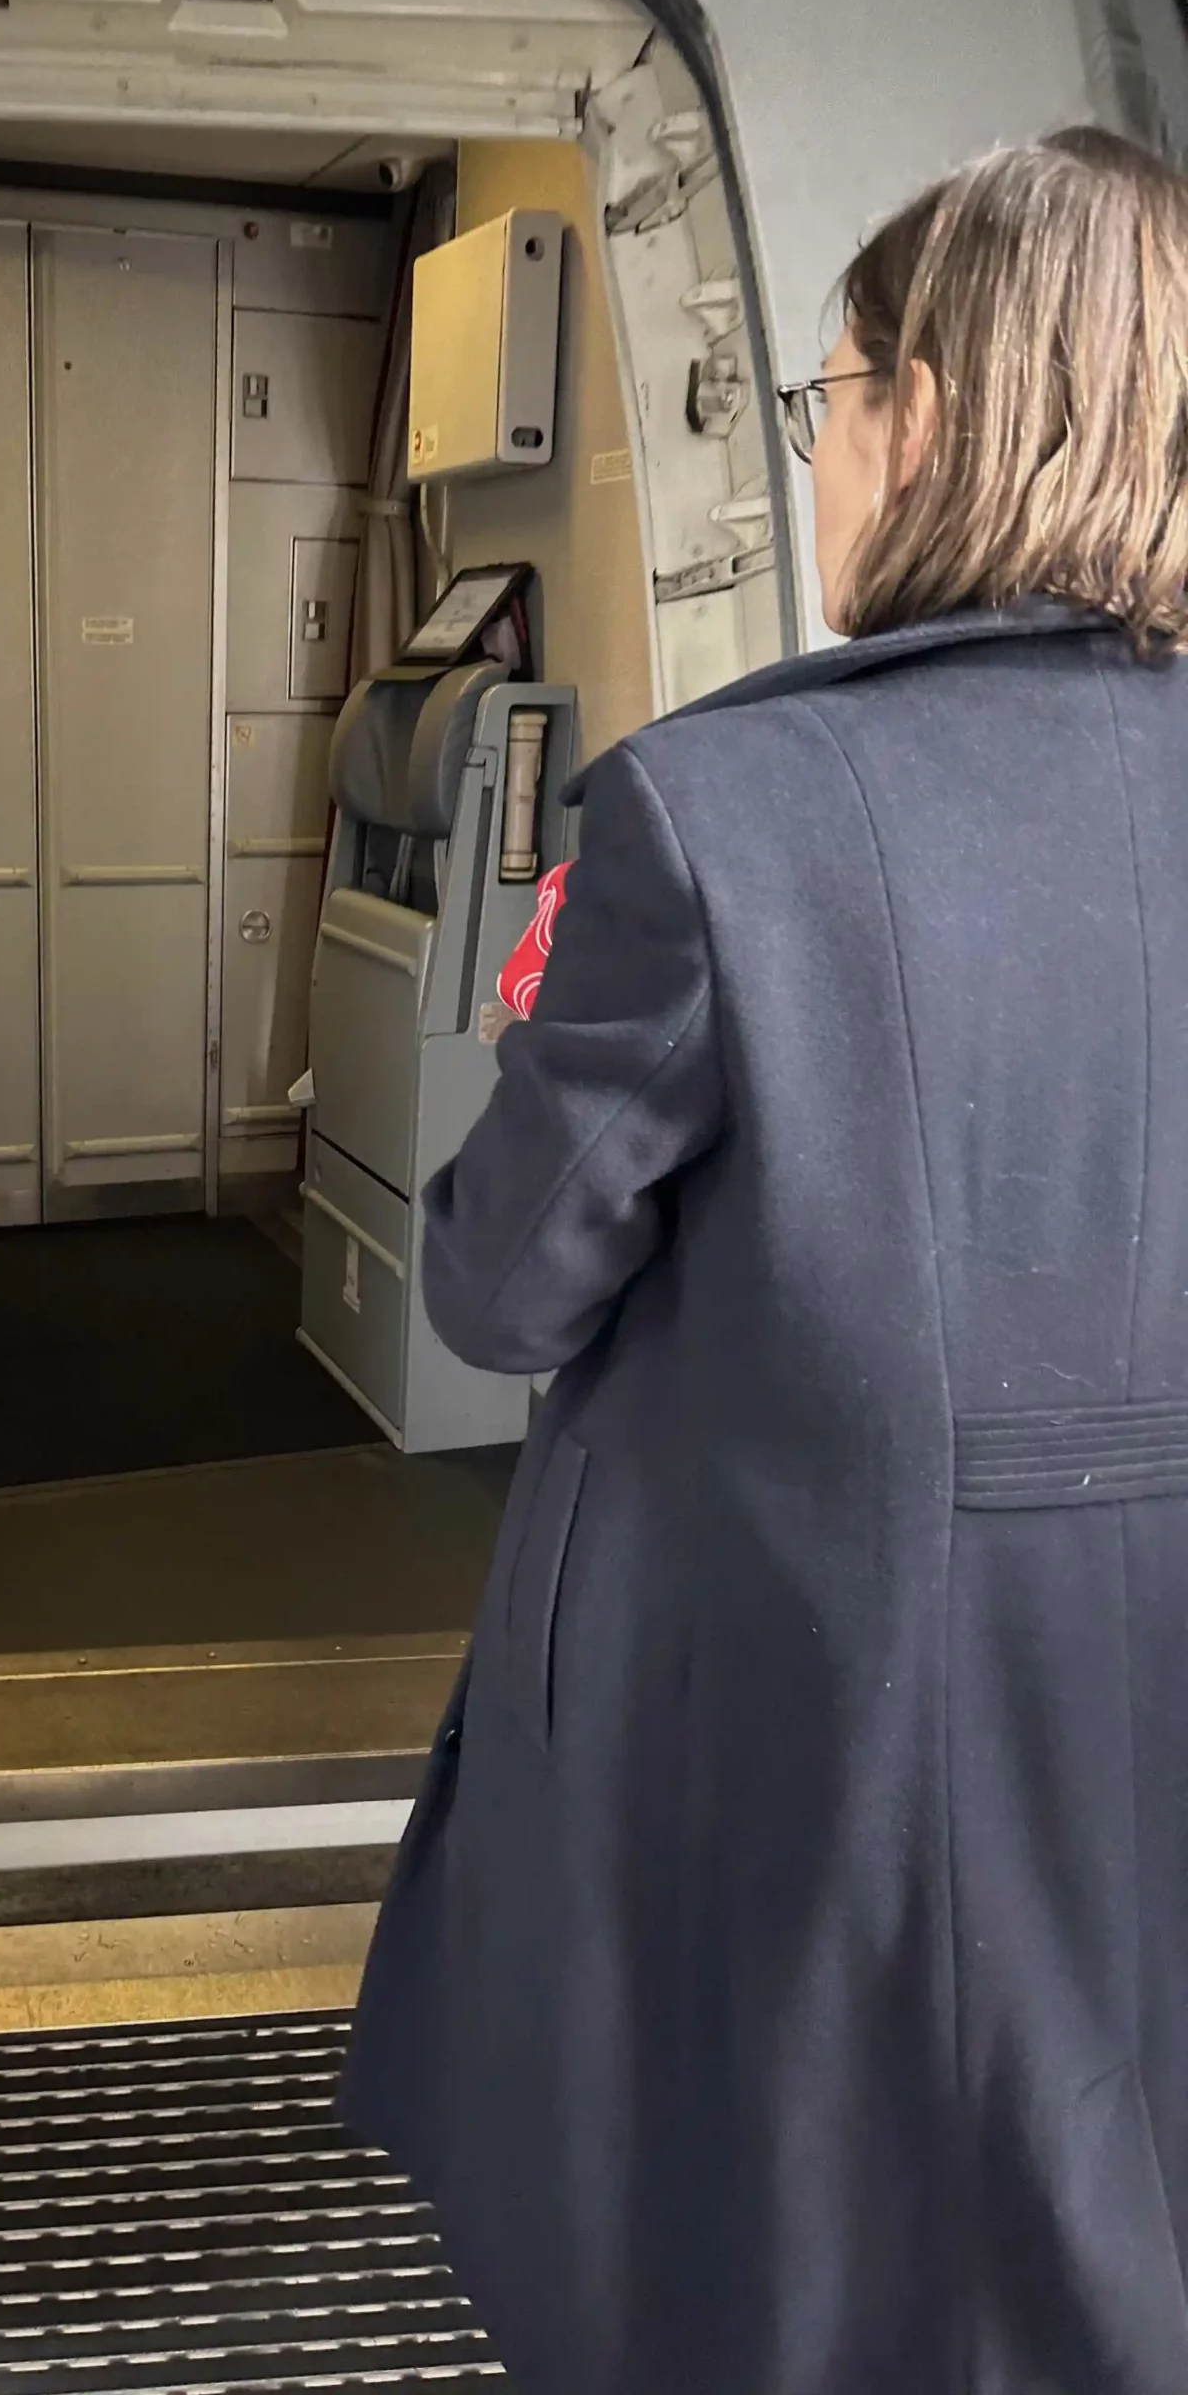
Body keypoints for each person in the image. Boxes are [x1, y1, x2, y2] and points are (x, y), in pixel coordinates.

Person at [341, 125, 1188, 2395]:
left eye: (821, 406)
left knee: (774, 2247)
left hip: (806, 1733)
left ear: (926, 416)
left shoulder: (727, 813)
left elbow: (505, 1290)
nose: (818, 464)